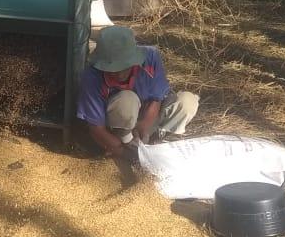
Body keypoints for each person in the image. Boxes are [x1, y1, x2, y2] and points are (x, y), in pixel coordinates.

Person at [76, 25, 200, 160]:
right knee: (126, 99)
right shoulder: (92, 76)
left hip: (148, 120)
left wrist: (144, 126)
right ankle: (127, 144)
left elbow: (156, 98)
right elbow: (96, 128)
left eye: (123, 67)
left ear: (134, 59)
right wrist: (123, 152)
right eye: (111, 69)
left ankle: (161, 143)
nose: (118, 73)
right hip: (117, 126)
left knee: (187, 101)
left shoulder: (151, 57)